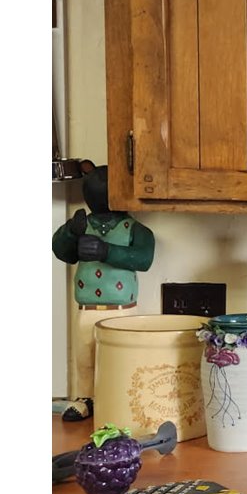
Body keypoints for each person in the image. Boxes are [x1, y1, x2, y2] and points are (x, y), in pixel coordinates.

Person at [52, 163, 156, 404]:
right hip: (87, 309)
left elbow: (144, 258)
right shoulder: (82, 225)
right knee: (85, 358)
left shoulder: (134, 229)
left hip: (123, 311)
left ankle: (122, 399)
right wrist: (69, 232)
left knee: (123, 357)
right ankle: (86, 400)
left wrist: (106, 250)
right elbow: (62, 252)